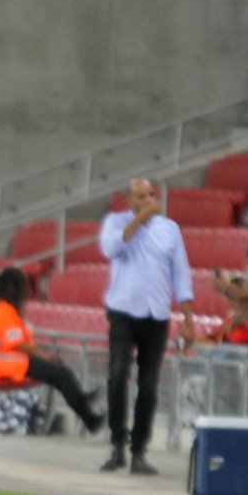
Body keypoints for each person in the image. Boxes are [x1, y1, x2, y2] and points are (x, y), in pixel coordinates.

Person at [99, 178, 196, 475]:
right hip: (123, 311)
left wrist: (188, 319)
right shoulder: (116, 223)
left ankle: (139, 449)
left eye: (151, 195)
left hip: (156, 315)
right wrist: (139, 220)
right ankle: (117, 442)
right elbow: (111, 249)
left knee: (149, 383)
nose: (149, 200)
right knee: (118, 374)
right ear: (129, 200)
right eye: (141, 196)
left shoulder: (169, 229)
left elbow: (180, 273)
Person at [0, 267, 104, 433]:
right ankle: (86, 411)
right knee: (61, 374)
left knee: (59, 371)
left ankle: (86, 409)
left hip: (10, 363)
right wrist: (44, 355)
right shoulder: (2, 310)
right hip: (9, 366)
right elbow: (17, 343)